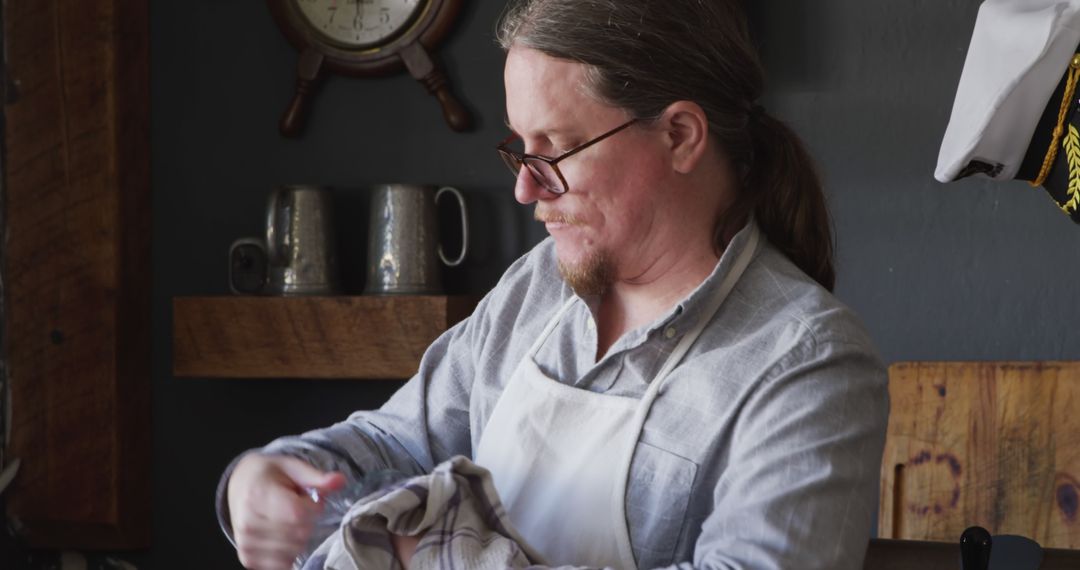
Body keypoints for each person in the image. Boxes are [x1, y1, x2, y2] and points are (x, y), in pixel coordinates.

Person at [218, 0, 889, 568]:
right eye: (519, 148)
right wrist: (264, 476)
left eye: (557, 149)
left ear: (681, 135)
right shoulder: (538, 286)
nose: (524, 187)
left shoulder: (809, 363)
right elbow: (396, 441)